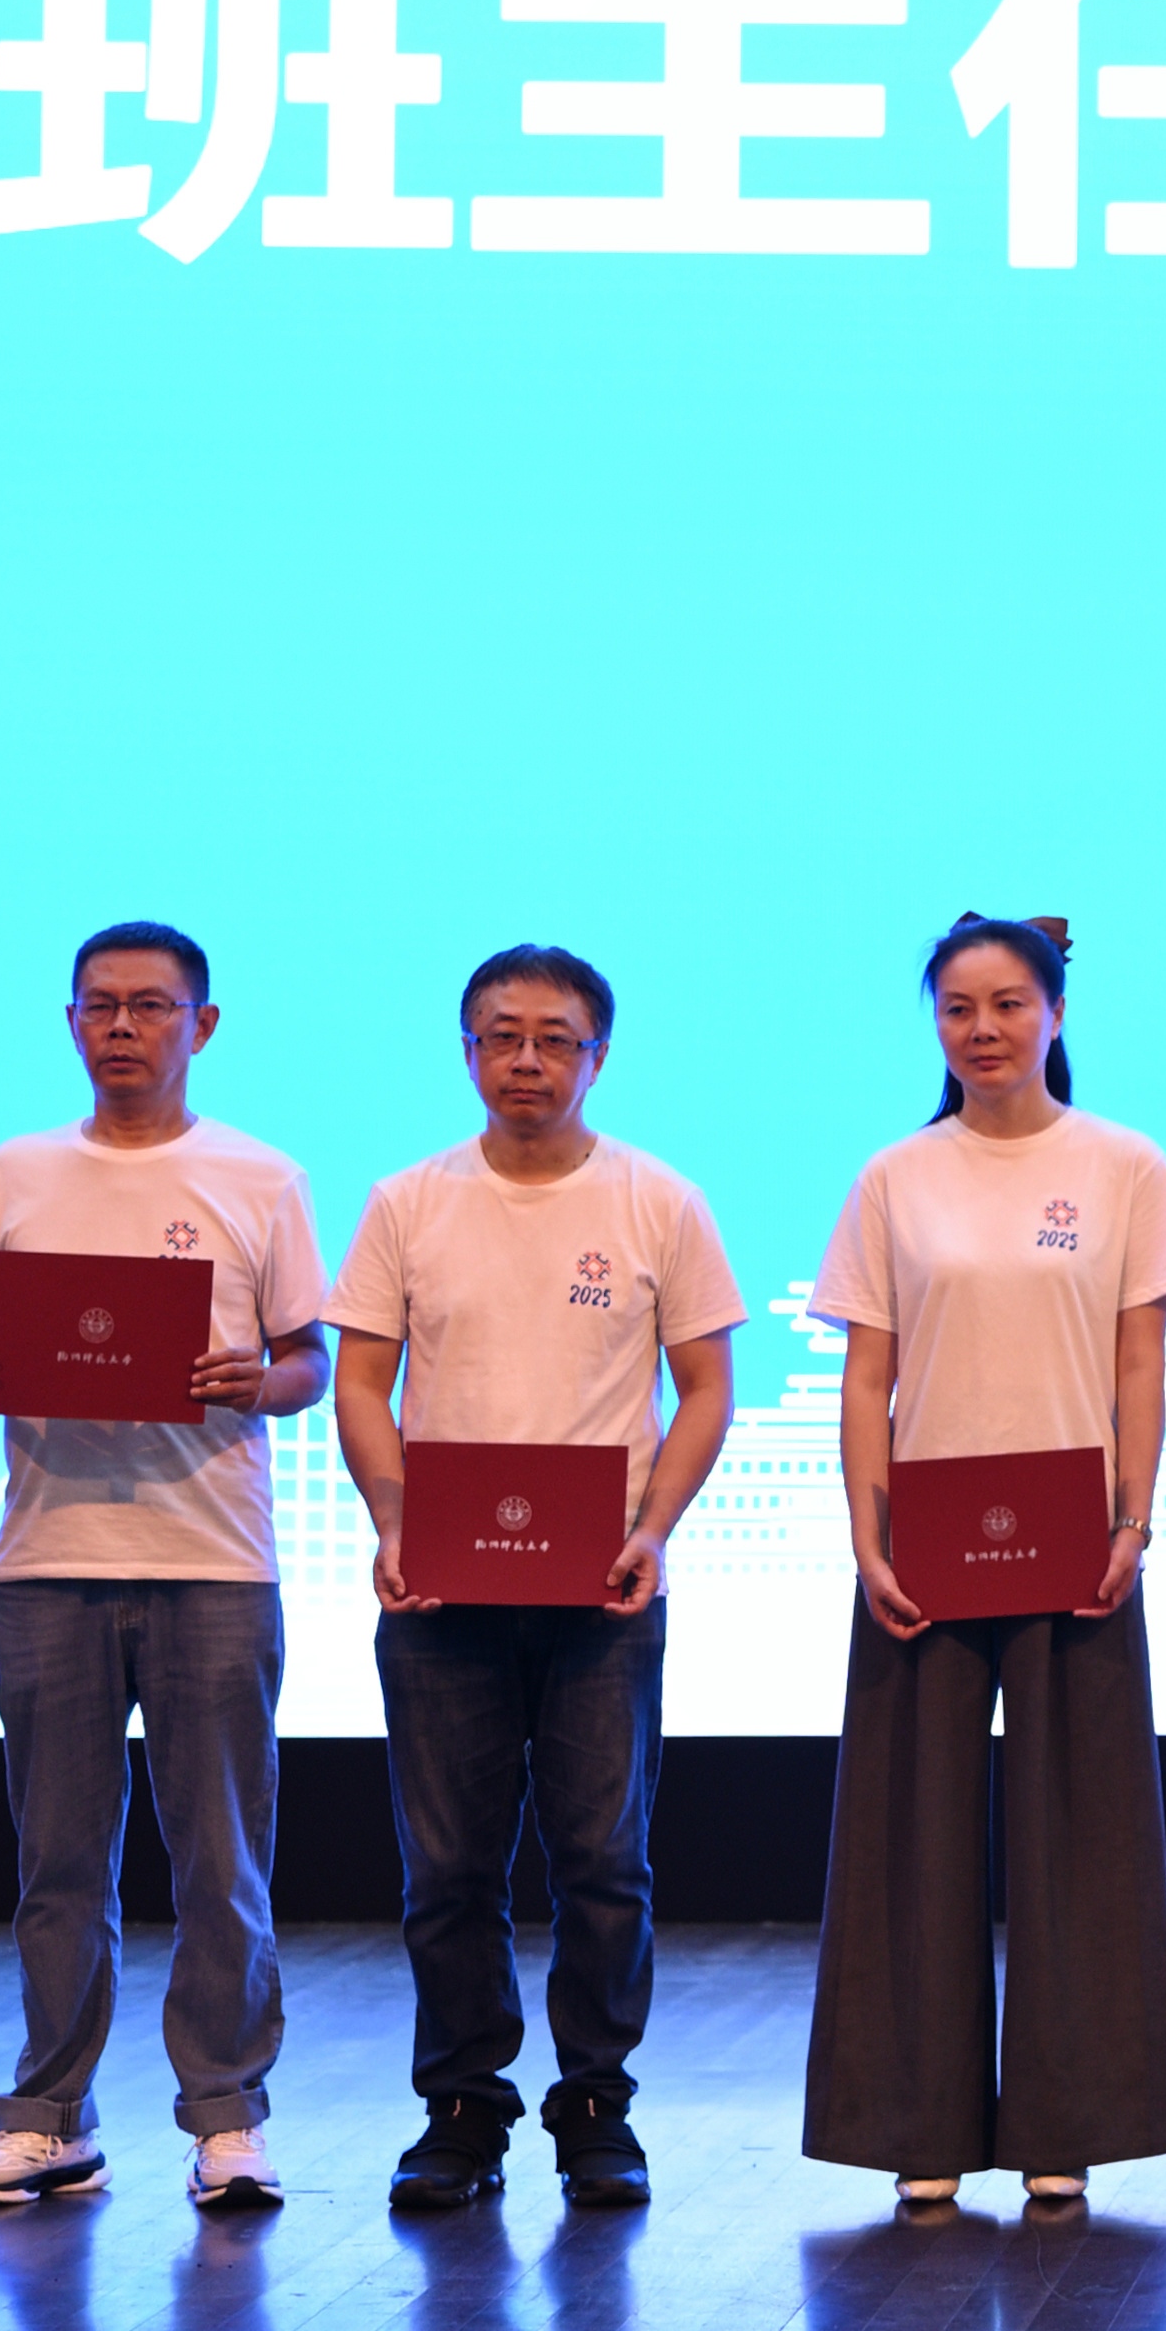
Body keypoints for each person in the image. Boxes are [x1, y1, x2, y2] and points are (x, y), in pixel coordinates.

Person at [328, 944, 743, 2212]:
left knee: (602, 1862)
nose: (526, 1058)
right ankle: (461, 2106)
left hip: (603, 1592)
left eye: (554, 1037)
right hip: (438, 1593)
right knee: (448, 1868)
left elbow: (705, 1386)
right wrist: (394, 1520)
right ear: (466, 1050)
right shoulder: (407, 1200)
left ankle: (596, 2103)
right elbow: (361, 1380)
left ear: (596, 1055)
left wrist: (653, 1528)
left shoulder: (658, 1199)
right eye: (500, 1034)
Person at [0, 921, 334, 2209]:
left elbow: (309, 1360)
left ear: (199, 1025)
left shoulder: (261, 1175)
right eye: (100, 1004)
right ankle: (49, 2116)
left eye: (151, 1005)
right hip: (47, 1556)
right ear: (70, 1022)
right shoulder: (17, 1169)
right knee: (58, 1859)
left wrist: (255, 1379)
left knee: (221, 1858)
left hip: (211, 1557)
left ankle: (227, 2118)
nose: (123, 1026)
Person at [805, 911, 1166, 2204]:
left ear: (1055, 1013)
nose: (982, 1029)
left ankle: (1063, 2126)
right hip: (924, 1546)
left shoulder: (1121, 1163)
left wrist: (1133, 1520)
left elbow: (1139, 1359)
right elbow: (866, 1374)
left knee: (1082, 1837)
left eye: (1008, 1003)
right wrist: (866, 1534)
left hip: (1077, 1542)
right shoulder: (895, 1176)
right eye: (958, 1008)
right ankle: (915, 2132)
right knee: (907, 1839)